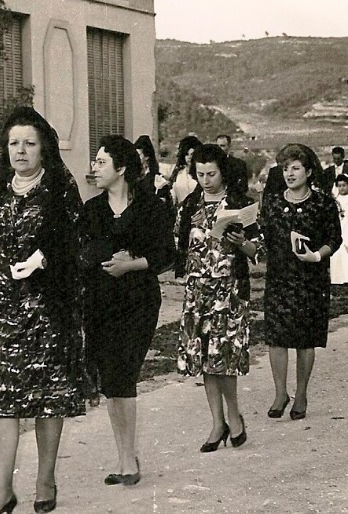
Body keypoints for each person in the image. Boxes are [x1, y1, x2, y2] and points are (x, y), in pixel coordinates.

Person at [0, 107, 85, 514]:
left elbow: (75, 240)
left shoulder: (59, 188)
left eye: (29, 143)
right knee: (3, 401)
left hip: (47, 313)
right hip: (2, 315)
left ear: (43, 147)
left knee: (47, 398)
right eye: (13, 143)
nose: (20, 151)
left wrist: (43, 258)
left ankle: (45, 480)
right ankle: (1, 490)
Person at [79, 135, 174, 485]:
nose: (94, 168)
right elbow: (83, 254)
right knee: (112, 382)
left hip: (138, 303)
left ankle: (128, 460)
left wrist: (130, 264)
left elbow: (166, 254)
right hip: (101, 304)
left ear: (121, 168)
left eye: (101, 162)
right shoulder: (91, 210)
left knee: (123, 377)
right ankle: (125, 456)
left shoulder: (152, 207)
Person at [175, 144, 263, 452]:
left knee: (224, 359)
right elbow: (178, 245)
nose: (205, 180)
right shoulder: (189, 205)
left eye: (211, 173)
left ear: (222, 171)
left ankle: (234, 416)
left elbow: (260, 250)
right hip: (198, 292)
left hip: (229, 291)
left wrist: (243, 244)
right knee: (205, 361)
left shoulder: (239, 204)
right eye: (199, 174)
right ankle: (217, 423)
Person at [259, 143, 341, 421]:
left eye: (295, 168)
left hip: (311, 280)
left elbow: (335, 239)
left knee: (305, 340)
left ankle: (302, 394)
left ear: (308, 171)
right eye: (285, 168)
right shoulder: (272, 202)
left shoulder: (323, 203)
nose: (290, 173)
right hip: (280, 279)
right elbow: (263, 239)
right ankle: (280, 393)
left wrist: (317, 256)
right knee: (276, 338)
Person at [134, 135, 174, 215]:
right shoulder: (133, 176)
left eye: (138, 155)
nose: (135, 157)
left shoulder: (157, 179)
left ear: (147, 156)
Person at [169, 135, 202, 206]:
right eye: (186, 154)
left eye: (192, 154)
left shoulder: (202, 173)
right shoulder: (178, 172)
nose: (189, 157)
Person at [331, 174, 348, 285]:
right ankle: (337, 278)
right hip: (339, 227)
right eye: (340, 186)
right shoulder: (335, 201)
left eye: (344, 185)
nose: (342, 188)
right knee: (338, 252)